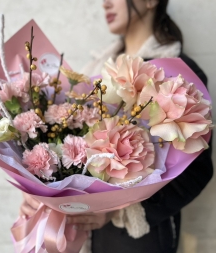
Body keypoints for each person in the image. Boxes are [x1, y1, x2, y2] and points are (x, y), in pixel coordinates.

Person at [20, 1, 213, 252]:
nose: (105, 3)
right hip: (82, 235)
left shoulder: (177, 78)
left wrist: (115, 211)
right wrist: (39, 192)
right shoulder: (95, 73)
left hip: (138, 240)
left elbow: (196, 172)